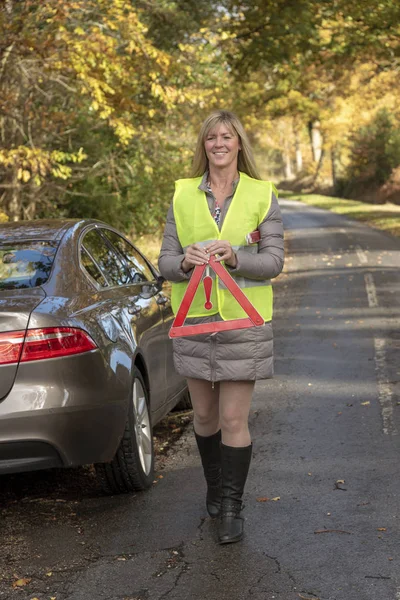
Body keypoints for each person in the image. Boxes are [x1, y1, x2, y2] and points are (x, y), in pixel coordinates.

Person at [158, 110, 284, 544]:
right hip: (193, 322)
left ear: (238, 144)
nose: (218, 143)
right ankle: (214, 487)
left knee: (233, 417)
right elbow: (165, 262)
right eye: (211, 137)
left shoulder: (261, 194)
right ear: (203, 146)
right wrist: (182, 262)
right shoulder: (181, 196)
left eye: (226, 136)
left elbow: (273, 262)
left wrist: (234, 258)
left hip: (244, 322)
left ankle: (231, 506)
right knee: (206, 416)